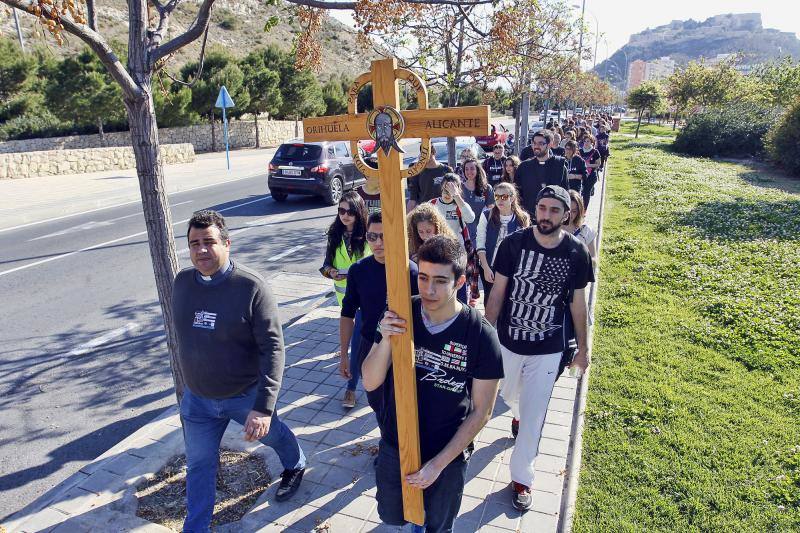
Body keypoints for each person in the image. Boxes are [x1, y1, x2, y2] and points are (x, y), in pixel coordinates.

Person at [174, 210, 306, 531]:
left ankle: (296, 463)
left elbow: (273, 348)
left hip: (244, 398)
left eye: (209, 242)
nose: (201, 250)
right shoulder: (182, 282)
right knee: (200, 465)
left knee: (274, 434)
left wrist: (262, 408)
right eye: (194, 244)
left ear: (227, 244)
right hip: (198, 402)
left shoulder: (251, 287)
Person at [362, 235, 504, 533]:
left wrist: (438, 464)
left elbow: (482, 411)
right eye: (423, 277)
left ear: (460, 281)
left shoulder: (480, 335)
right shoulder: (402, 313)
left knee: (437, 527)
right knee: (393, 516)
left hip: (446, 453)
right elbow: (371, 380)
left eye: (440, 281)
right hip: (395, 443)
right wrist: (386, 338)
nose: (428, 289)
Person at [484, 186, 593, 512]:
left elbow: (578, 304)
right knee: (507, 397)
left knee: (534, 415)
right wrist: (485, 335)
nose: (546, 215)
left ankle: (522, 478)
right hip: (509, 341)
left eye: (554, 210)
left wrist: (583, 349)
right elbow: (497, 292)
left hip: (548, 347)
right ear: (535, 209)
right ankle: (516, 414)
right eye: (542, 208)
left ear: (566, 214)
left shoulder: (576, 253)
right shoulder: (513, 244)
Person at [340, 211, 420, 409]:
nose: (377, 242)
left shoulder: (411, 271)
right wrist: (343, 354)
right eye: (372, 236)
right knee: (377, 403)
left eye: (383, 236)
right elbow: (347, 313)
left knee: (404, 406)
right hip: (370, 346)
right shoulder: (358, 270)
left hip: (405, 346)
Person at [321, 192, 371, 408]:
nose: (345, 215)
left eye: (350, 211)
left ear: (358, 212)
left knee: (359, 346)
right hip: (346, 302)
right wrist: (331, 271)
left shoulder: (370, 234)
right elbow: (324, 265)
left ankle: (351, 389)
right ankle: (353, 387)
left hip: (368, 300)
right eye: (341, 211)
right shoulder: (335, 235)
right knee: (357, 346)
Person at [475, 182, 530, 304]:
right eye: (496, 196)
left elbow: (524, 246)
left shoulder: (523, 218)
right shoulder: (486, 215)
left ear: (512, 198)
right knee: (490, 301)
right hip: (489, 266)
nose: (500, 200)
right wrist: (485, 268)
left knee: (509, 302)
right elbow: (480, 243)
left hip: (512, 268)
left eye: (504, 197)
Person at [514, 130, 568, 215]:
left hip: (552, 216)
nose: (536, 146)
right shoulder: (524, 167)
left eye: (540, 143)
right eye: (534, 143)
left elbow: (565, 193)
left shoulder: (559, 166)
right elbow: (516, 193)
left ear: (550, 144)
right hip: (529, 216)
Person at [460, 158, 495, 246]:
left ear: (477, 170)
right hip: (463, 231)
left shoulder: (487, 188)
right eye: (466, 169)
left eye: (472, 168)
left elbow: (491, 211)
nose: (469, 171)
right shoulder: (459, 188)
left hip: (480, 232)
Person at [407, 145, 453, 211]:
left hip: (443, 211)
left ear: (434, 153)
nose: (427, 158)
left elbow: (453, 194)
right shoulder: (417, 172)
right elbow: (412, 199)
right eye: (424, 155)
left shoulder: (447, 170)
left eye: (429, 154)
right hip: (425, 212)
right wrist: (407, 219)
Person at [580, 134, 601, 211]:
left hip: (591, 175)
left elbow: (598, 164)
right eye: (585, 141)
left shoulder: (595, 152)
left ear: (592, 142)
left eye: (588, 141)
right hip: (581, 175)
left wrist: (589, 165)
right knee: (580, 192)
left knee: (586, 192)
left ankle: (584, 209)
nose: (586, 143)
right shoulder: (580, 151)